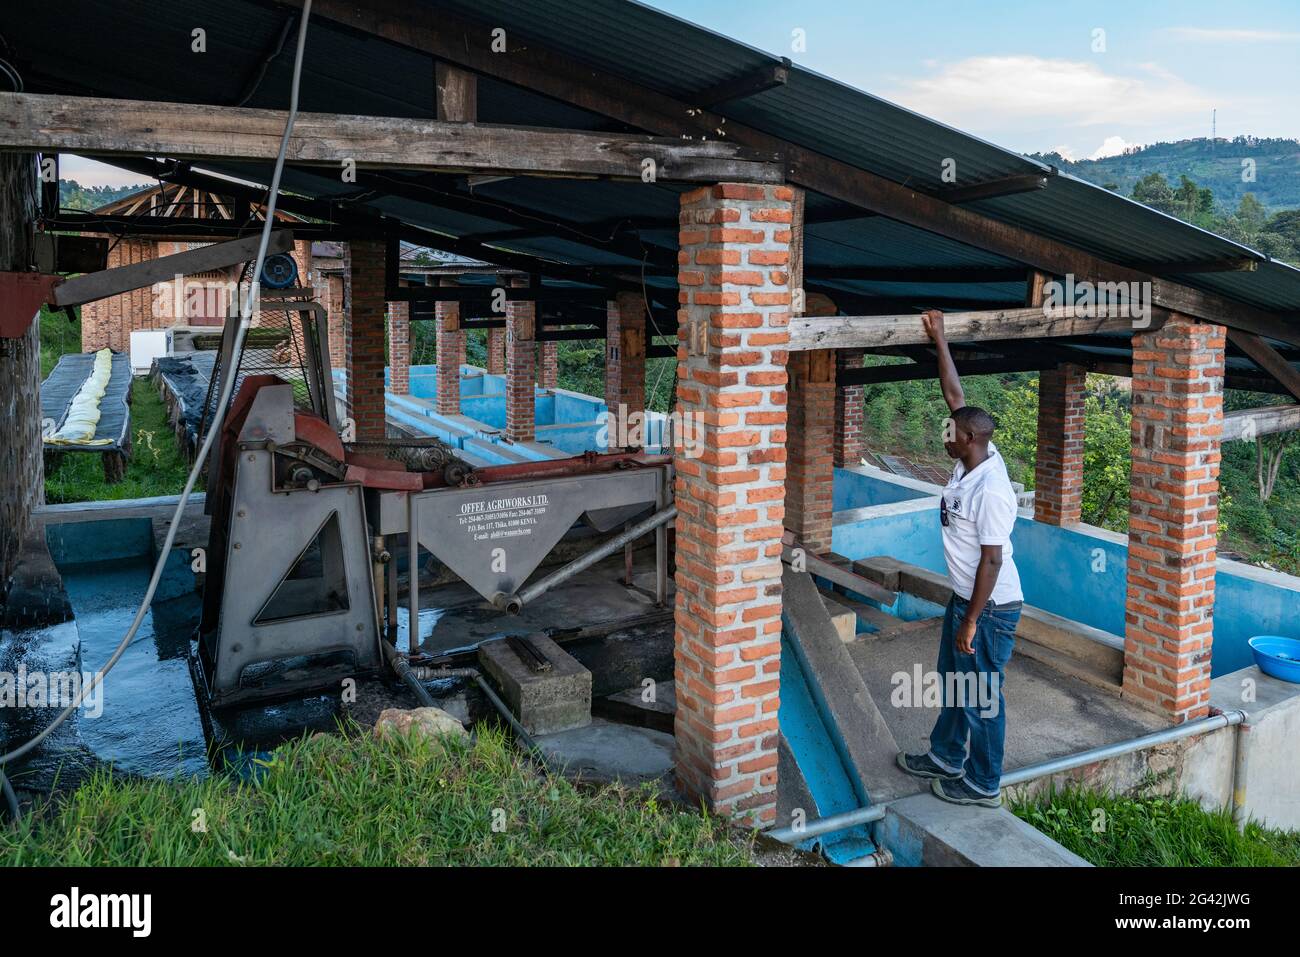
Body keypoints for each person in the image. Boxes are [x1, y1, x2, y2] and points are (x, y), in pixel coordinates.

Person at [897, 308, 1024, 808]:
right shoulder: (973, 454)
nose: (944, 435)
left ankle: (983, 784)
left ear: (968, 440)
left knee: (982, 697)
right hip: (966, 599)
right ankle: (947, 756)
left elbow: (991, 561)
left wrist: (971, 621)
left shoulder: (991, 490)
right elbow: (956, 396)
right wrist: (941, 339)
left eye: (949, 433)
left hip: (989, 608)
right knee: (954, 684)